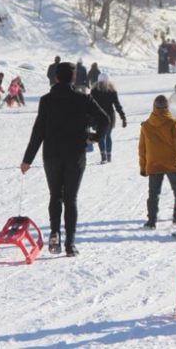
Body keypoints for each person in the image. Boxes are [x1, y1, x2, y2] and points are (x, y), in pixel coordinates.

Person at [21, 62, 110, 257]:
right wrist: (95, 137)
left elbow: (38, 131)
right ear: (74, 78)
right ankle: (70, 244)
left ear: (56, 78)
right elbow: (105, 120)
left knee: (55, 195)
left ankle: (54, 233)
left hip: (51, 154)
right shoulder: (84, 99)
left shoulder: (46, 100)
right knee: (70, 199)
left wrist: (27, 159)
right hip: (75, 154)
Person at [139, 95, 176, 229]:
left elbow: (142, 148)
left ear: (154, 107)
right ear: (167, 107)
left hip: (154, 163)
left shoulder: (147, 125)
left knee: (153, 193)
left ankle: (151, 220)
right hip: (171, 163)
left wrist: (143, 167)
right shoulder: (172, 123)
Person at [90, 72, 126, 164]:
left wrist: (88, 119)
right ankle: (109, 155)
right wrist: (123, 117)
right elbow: (117, 105)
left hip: (98, 117)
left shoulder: (94, 91)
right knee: (108, 135)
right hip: (110, 116)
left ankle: (103, 156)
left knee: (101, 136)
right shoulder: (112, 91)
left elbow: (89, 105)